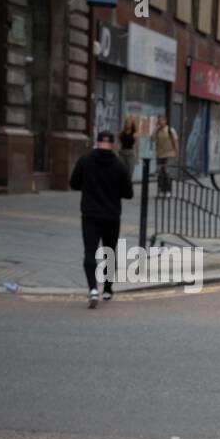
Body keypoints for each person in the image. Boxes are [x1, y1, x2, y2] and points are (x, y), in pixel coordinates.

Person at [69, 130, 133, 308]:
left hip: (90, 214)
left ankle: (92, 290)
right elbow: (128, 193)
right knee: (109, 252)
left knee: (90, 252)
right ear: (113, 144)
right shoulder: (120, 165)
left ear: (96, 143)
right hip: (111, 215)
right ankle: (107, 289)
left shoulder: (85, 161)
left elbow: (73, 184)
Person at [154, 115, 179, 197]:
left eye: (162, 120)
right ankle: (161, 190)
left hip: (169, 153)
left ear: (165, 121)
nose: (160, 122)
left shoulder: (170, 130)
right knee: (160, 173)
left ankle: (168, 190)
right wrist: (155, 128)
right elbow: (152, 139)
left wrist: (177, 153)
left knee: (166, 171)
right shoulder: (157, 130)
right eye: (159, 120)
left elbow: (175, 142)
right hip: (160, 154)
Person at [118, 116, 137, 182]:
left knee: (129, 173)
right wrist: (116, 153)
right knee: (121, 172)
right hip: (122, 154)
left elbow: (137, 146)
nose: (128, 124)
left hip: (130, 154)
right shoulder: (121, 133)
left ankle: (128, 188)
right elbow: (118, 144)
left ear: (132, 124)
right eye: (127, 123)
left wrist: (137, 157)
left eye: (129, 123)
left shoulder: (135, 134)